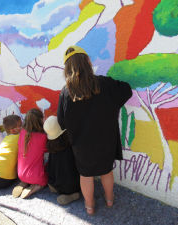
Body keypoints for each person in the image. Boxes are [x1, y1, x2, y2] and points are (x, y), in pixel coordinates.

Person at [57, 46, 132, 215]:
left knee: (86, 175)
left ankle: (89, 207)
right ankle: (110, 200)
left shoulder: (65, 92)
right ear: (88, 62)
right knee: (106, 171)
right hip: (106, 141)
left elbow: (62, 122)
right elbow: (126, 90)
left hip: (81, 145)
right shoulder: (105, 83)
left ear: (67, 68)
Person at [43, 116, 80, 205]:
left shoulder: (52, 147)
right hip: (71, 186)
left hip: (54, 181)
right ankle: (73, 195)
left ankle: (56, 187)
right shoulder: (71, 146)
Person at [12, 108, 47, 199]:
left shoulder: (23, 132)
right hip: (36, 177)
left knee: (29, 165)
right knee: (44, 180)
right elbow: (46, 151)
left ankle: (23, 183)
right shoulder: (43, 136)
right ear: (40, 120)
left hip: (20, 174)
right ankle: (34, 188)